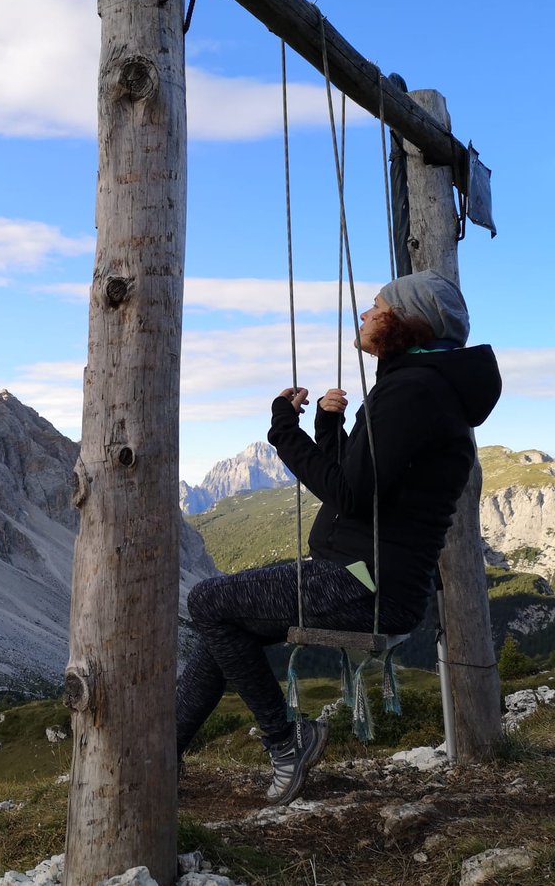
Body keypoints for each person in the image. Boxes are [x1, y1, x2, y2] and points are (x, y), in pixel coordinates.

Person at [175, 269, 501, 805]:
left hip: (364, 583)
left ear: (406, 321)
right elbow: (362, 479)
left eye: (377, 307)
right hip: (368, 576)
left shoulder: (413, 391)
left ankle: (285, 740)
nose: (365, 314)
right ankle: (163, 753)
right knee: (224, 624)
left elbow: (347, 493)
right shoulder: (420, 387)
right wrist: (328, 427)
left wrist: (283, 430)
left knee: (208, 602)